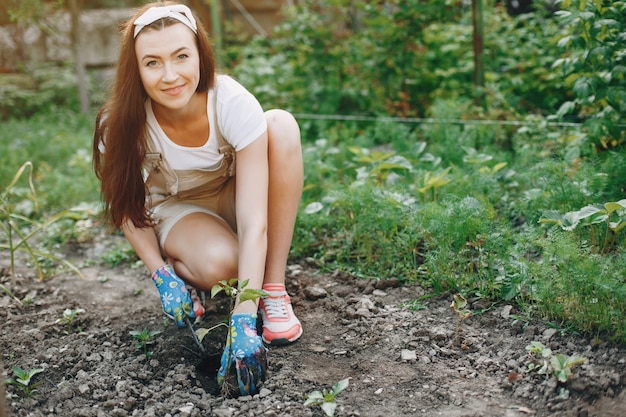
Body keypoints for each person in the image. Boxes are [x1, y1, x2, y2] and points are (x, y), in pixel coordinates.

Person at [92, 1, 303, 396]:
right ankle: (186, 263)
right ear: (135, 69)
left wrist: (243, 315)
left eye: (181, 56)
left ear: (200, 56)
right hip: (179, 208)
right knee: (225, 264)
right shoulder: (120, 124)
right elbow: (127, 208)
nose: (170, 75)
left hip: (235, 195)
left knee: (283, 126)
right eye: (152, 62)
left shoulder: (231, 102)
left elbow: (256, 219)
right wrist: (160, 273)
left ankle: (273, 289)